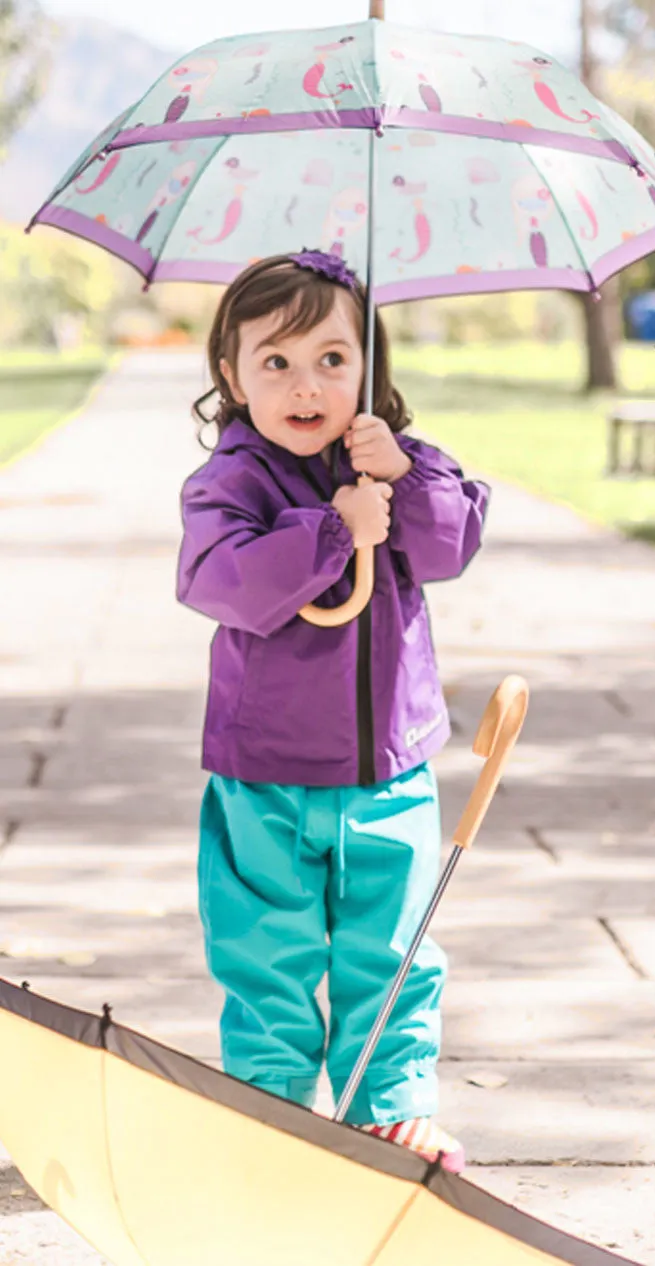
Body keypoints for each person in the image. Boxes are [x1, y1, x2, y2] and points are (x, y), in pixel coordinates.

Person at [176, 249, 489, 1173]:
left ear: (369, 370)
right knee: (264, 949)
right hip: (263, 770)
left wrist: (409, 475)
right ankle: (270, 1106)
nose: (305, 385)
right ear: (232, 377)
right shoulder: (232, 480)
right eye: (275, 362)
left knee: (390, 948)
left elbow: (450, 546)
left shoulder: (391, 464)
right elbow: (218, 578)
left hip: (388, 768)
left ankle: (386, 1108)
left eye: (331, 359)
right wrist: (329, 529)